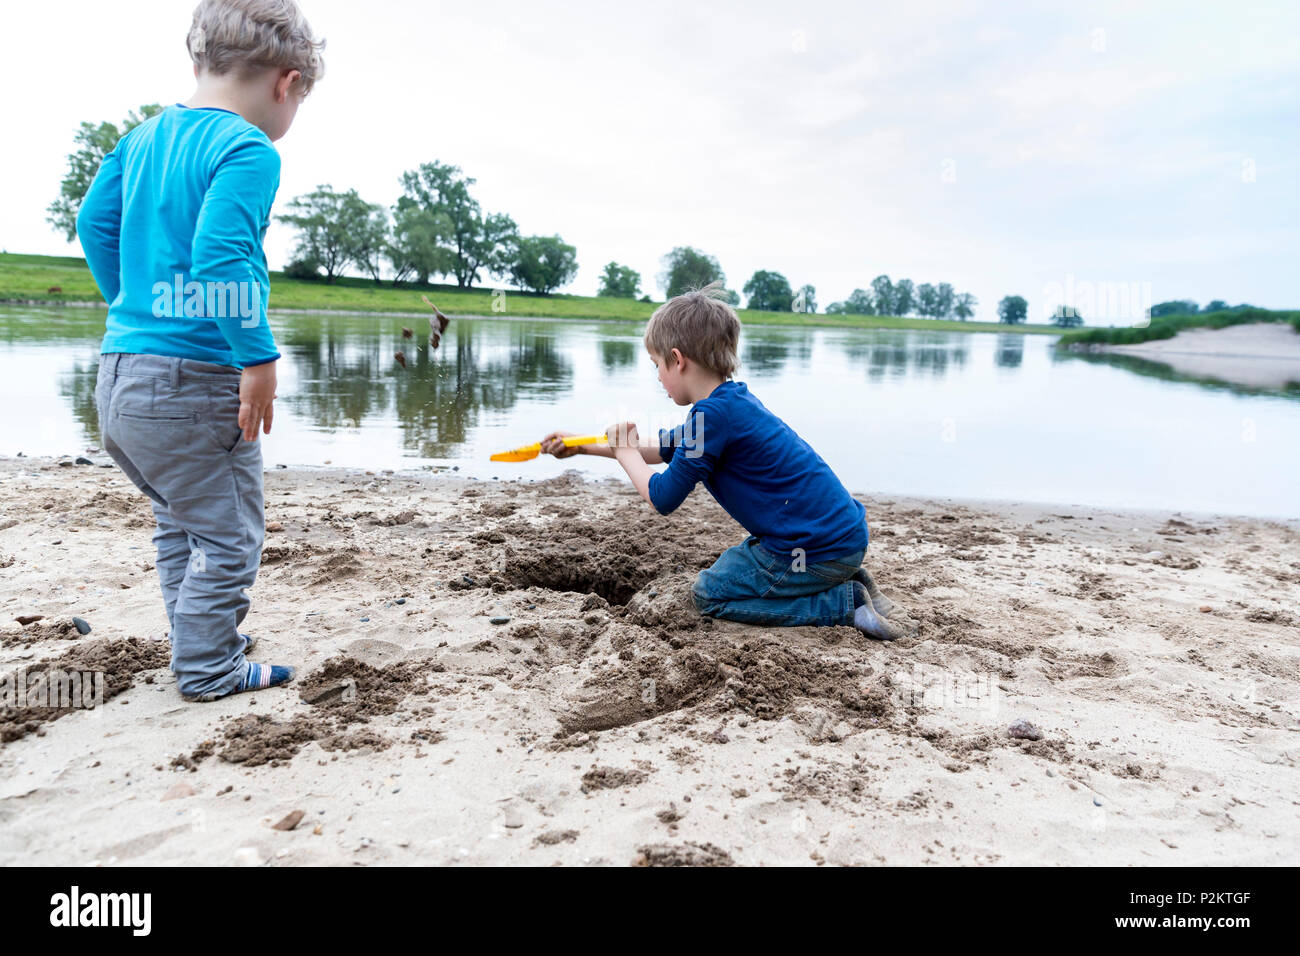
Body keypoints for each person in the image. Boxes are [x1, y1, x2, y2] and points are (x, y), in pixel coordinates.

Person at [77, 0, 324, 700]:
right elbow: (221, 256)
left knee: (179, 521)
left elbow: (93, 223)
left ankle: (199, 640)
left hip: (121, 375)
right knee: (230, 537)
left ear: (199, 65)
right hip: (193, 383)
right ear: (288, 83)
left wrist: (137, 306)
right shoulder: (246, 148)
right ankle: (208, 667)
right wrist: (257, 356)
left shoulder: (142, 138)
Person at [542, 283, 913, 639]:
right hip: (843, 539)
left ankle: (843, 605)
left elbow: (663, 497)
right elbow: (660, 448)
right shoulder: (731, 404)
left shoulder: (710, 419)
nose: (657, 377)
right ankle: (856, 581)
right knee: (743, 564)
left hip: (814, 551)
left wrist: (624, 453)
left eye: (656, 364)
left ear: (677, 360)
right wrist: (580, 447)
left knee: (709, 594)